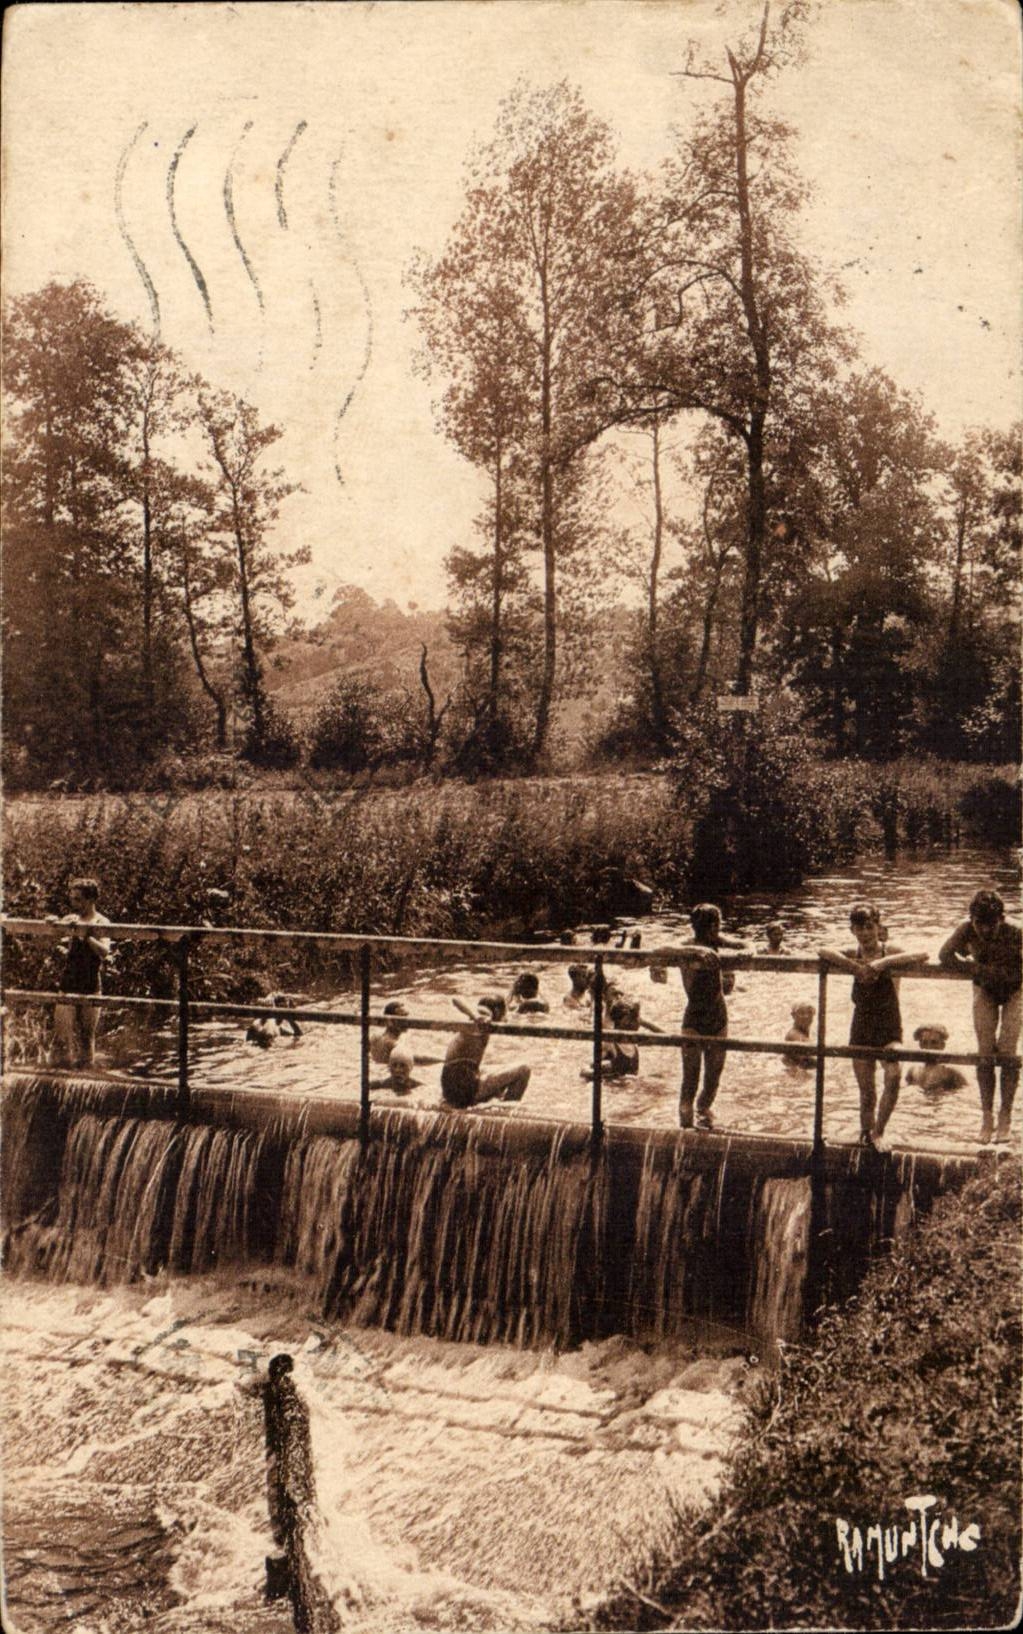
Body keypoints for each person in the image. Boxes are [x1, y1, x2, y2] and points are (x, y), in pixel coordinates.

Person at [820, 904, 926, 1147]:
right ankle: (866, 1134)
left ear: (879, 927)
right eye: (859, 928)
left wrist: (882, 964)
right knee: (866, 1091)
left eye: (869, 927)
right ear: (852, 930)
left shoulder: (890, 950)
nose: (865, 933)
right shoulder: (853, 952)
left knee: (893, 1075)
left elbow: (922, 953)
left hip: (888, 1025)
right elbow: (822, 949)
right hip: (862, 1026)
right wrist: (855, 968)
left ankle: (879, 1131)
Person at [652, 904, 750, 1131]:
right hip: (694, 1020)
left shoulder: (718, 941)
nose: (717, 929)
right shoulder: (688, 945)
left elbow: (745, 944)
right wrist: (693, 952)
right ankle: (685, 1130)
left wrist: (747, 950)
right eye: (715, 924)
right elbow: (660, 948)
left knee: (713, 1081)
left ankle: (703, 1116)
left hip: (718, 1019)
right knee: (690, 1082)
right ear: (709, 925)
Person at [939, 890, 1022, 1141]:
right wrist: (975, 968)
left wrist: (994, 972)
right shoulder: (965, 929)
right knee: (985, 1052)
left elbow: (1018, 974)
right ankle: (987, 1116)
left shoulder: (1016, 933)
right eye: (979, 924)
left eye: (991, 924)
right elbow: (944, 955)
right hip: (985, 987)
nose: (985, 930)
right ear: (972, 919)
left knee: (1007, 1051)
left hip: (1015, 989)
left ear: (1002, 920)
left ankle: (1005, 1115)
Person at [46, 877, 112, 1068]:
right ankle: (62, 1079)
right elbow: (54, 934)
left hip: (91, 983)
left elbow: (104, 951)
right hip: (69, 981)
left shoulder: (101, 921)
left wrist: (86, 937)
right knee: (62, 1037)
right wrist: (53, 923)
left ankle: (85, 1077)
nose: (74, 904)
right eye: (73, 899)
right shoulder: (71, 918)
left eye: (78, 899)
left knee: (86, 1037)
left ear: (91, 900)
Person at [440, 995, 531, 1109]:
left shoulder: (477, 1020)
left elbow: (457, 1000)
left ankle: (495, 1103)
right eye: (504, 1013)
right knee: (524, 1070)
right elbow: (456, 999)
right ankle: (504, 1115)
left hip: (449, 1087)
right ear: (497, 1011)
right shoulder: (484, 1015)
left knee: (491, 1068)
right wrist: (476, 1016)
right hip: (464, 1089)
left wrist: (474, 1016)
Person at [905, 1024, 967, 1094]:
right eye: (925, 1042)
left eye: (934, 1042)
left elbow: (965, 1093)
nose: (929, 1047)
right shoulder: (913, 1070)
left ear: (942, 1045)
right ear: (920, 1045)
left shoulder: (950, 1072)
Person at [783, 1002, 816, 1068]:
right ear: (793, 1015)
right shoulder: (793, 1035)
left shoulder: (803, 1035)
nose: (806, 1016)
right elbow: (811, 1060)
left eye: (809, 1012)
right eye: (801, 1013)